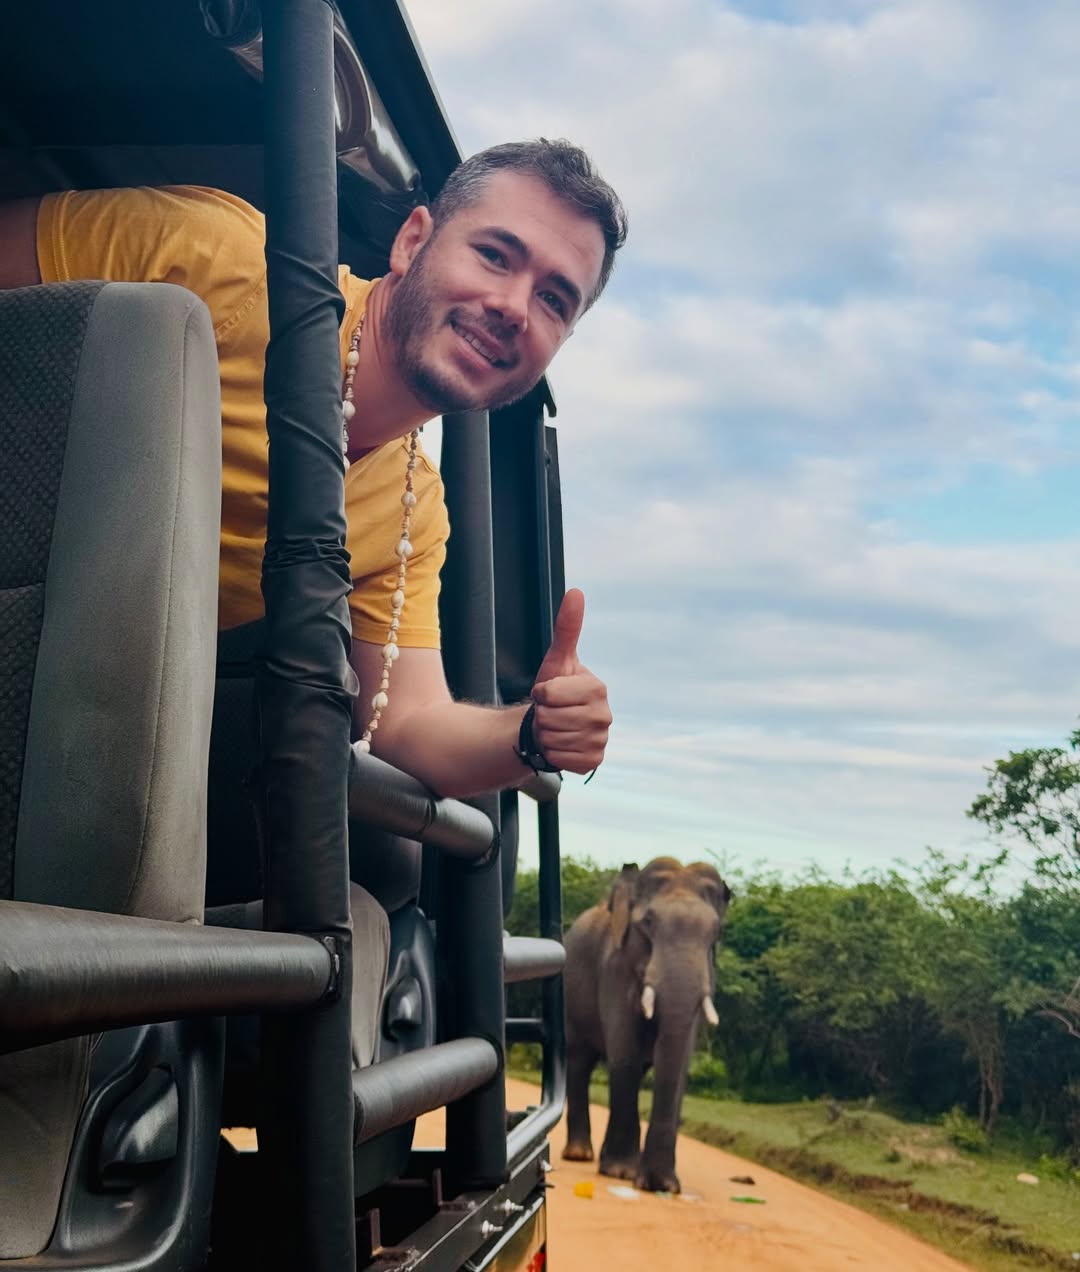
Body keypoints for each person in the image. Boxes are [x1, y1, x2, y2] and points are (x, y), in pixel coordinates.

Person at [0, 139, 624, 798]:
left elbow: (408, 722)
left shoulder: (413, 508)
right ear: (412, 242)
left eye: (555, 300)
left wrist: (531, 734)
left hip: (54, 721)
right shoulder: (220, 258)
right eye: (494, 256)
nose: (514, 308)